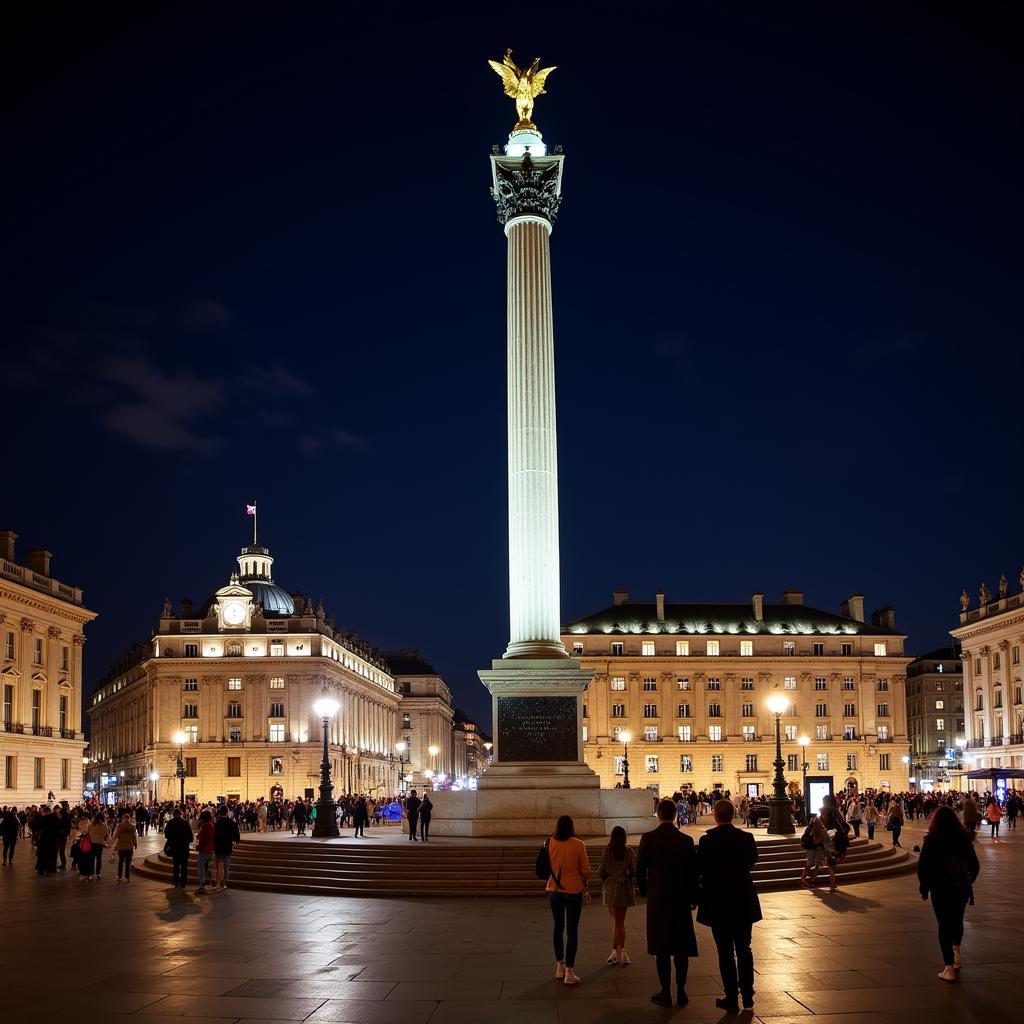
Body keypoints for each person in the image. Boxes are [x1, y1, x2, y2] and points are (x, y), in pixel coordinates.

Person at [697, 799, 762, 1013]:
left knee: (724, 952)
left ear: (715, 815)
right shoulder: (746, 838)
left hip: (718, 904)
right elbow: (752, 861)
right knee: (744, 949)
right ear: (733, 814)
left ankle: (731, 997)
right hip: (743, 901)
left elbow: (700, 869)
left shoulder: (707, 841)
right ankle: (748, 997)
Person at [636, 798, 698, 1007]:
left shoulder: (649, 838)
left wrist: (645, 892)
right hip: (681, 899)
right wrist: (693, 898)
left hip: (658, 899)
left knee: (661, 947)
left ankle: (665, 991)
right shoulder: (686, 840)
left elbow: (639, 870)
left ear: (658, 814)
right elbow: (693, 873)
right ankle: (681, 990)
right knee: (681, 947)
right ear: (674, 816)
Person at [917, 804, 980, 982]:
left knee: (944, 925)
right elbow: (975, 865)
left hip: (940, 888)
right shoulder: (963, 838)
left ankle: (948, 967)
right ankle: (957, 954)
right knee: (957, 920)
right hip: (960, 888)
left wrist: (924, 887)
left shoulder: (932, 840)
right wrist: (968, 881)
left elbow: (923, 867)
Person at [544, 814, 591, 986]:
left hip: (554, 890)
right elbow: (586, 871)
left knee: (557, 928)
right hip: (573, 891)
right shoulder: (578, 845)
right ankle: (569, 971)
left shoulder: (550, 842)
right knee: (572, 931)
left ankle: (559, 966)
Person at [598, 825, 636, 966]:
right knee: (620, 923)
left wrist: (610, 878)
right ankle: (620, 952)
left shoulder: (608, 852)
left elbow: (601, 871)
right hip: (625, 889)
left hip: (611, 889)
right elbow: (634, 871)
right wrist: (625, 875)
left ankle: (618, 952)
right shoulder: (629, 851)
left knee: (616, 923)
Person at [799, 814, 837, 892]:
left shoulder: (818, 828)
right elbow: (814, 841)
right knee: (810, 863)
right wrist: (821, 840)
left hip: (816, 848)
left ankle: (812, 879)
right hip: (812, 848)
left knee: (817, 863)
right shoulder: (813, 829)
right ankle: (803, 879)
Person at [163, 807, 193, 889]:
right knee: (184, 866)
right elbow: (191, 838)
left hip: (174, 848)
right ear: (181, 814)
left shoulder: (170, 823)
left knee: (176, 865)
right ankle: (183, 882)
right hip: (184, 848)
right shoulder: (186, 823)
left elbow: (167, 836)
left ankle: (176, 881)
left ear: (173, 814)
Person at [213, 804, 241, 891]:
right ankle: (223, 884)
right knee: (226, 867)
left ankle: (217, 883)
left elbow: (213, 836)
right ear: (227, 812)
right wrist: (235, 842)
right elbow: (237, 836)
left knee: (218, 866)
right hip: (227, 847)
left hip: (218, 847)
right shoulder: (232, 823)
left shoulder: (216, 823)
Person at [113, 811, 137, 883]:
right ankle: (127, 877)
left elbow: (116, 836)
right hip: (129, 847)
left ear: (123, 818)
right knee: (128, 863)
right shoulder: (132, 827)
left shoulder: (119, 826)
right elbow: (134, 837)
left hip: (121, 846)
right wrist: (135, 844)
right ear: (129, 818)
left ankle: (119, 877)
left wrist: (113, 845)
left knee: (120, 862)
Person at [194, 809, 215, 895]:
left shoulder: (206, 826)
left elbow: (202, 839)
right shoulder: (212, 825)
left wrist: (198, 847)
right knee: (205, 867)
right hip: (210, 849)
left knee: (201, 868)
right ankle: (210, 880)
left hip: (204, 850)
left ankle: (202, 886)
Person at [87, 812, 110, 880]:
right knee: (99, 859)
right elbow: (106, 835)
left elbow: (88, 833)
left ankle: (90, 874)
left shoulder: (90, 825)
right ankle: (98, 873)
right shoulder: (103, 826)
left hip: (92, 843)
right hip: (100, 844)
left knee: (91, 859)